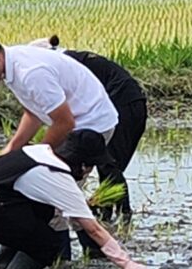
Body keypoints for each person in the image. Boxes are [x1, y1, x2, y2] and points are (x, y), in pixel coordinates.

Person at [0, 135, 150, 269]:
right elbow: (94, 230)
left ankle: (1, 267)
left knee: (42, 213)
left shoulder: (37, 151)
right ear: (84, 166)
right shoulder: (60, 178)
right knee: (49, 243)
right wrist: (127, 263)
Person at [0, 28, 119, 160]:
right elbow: (33, 114)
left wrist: (39, 157)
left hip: (91, 124)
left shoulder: (30, 73)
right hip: (74, 122)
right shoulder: (11, 67)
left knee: (56, 186)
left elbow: (64, 123)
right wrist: (11, 149)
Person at [61, 47, 147, 220]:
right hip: (131, 103)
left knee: (108, 162)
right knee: (107, 163)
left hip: (123, 104)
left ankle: (124, 214)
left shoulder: (66, 65)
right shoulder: (74, 60)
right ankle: (105, 210)